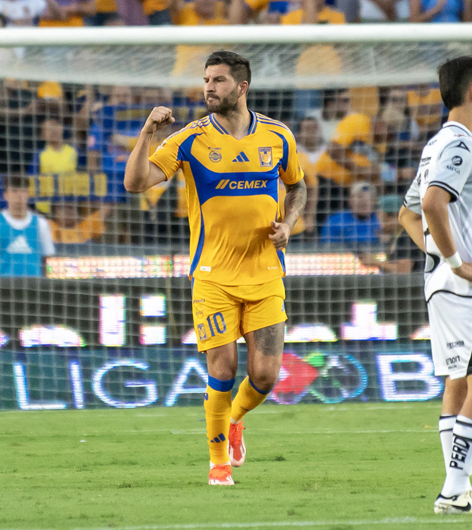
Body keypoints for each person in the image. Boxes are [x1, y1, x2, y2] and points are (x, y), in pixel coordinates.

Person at [124, 50, 306, 486]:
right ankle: (218, 463)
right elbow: (135, 182)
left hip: (265, 274)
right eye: (206, 79)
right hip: (213, 277)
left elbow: (297, 188)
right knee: (222, 368)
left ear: (241, 87)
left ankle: (236, 420)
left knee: (264, 375)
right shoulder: (190, 138)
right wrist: (148, 132)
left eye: (219, 80)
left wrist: (290, 225)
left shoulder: (279, 137)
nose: (209, 87)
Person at [401, 56, 472, 514]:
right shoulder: (459, 143)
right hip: (467, 288)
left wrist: (438, 257)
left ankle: (459, 489)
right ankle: (453, 493)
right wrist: (456, 262)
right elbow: (430, 204)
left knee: (459, 383)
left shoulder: (438, 145)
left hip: (447, 286)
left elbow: (408, 212)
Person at [0, 176, 55, 277]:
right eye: (14, 191)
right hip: (3, 287)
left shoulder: (41, 223)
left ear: (28, 194)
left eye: (23, 191)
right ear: (5, 195)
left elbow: (47, 259)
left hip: (34, 288)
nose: (19, 195)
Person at [359, 194, 423, 273]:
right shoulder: (396, 236)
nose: (379, 222)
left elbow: (404, 270)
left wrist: (376, 262)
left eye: (379, 215)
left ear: (390, 216)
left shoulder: (407, 235)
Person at [321, 181, 380, 246]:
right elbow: (327, 247)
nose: (364, 201)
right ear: (350, 201)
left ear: (375, 202)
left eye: (369, 198)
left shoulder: (382, 221)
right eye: (360, 197)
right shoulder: (336, 221)